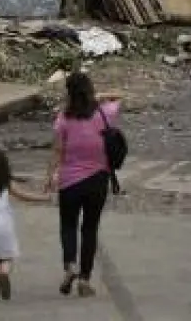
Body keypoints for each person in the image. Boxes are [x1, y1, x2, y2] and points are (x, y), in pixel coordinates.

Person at [44, 71, 122, 298]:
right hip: (98, 180)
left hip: (69, 181)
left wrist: (49, 176)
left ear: (68, 93)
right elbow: (119, 96)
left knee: (68, 225)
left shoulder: (63, 119)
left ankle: (70, 265)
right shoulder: (105, 112)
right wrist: (97, 97)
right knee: (90, 229)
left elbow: (57, 151)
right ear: (89, 90)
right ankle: (85, 279)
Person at [0, 147, 49, 302]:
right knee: (6, 256)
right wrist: (44, 198)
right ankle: (4, 273)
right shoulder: (7, 184)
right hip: (3, 225)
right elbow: (24, 196)